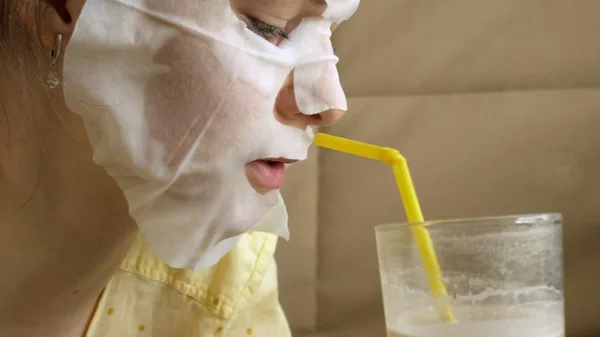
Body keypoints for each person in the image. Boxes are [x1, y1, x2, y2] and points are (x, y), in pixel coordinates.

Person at [0, 0, 357, 336]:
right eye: (268, 27)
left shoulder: (227, 279)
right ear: (61, 8)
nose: (330, 104)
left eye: (330, 33)